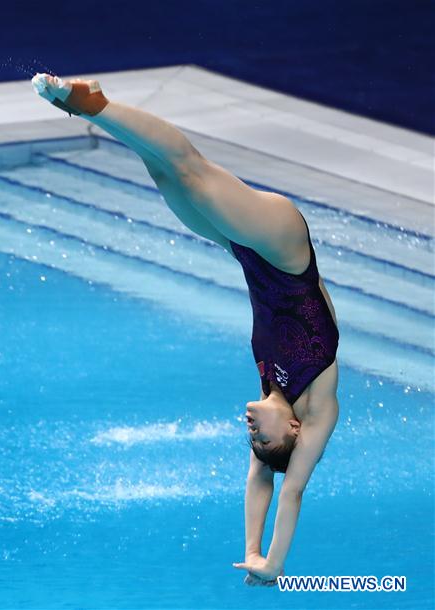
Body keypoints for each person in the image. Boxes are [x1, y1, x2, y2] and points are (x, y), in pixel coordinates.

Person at [32, 73, 339, 585]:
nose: (249, 432)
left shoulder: (272, 389)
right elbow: (288, 489)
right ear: (293, 432)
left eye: (251, 440)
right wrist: (274, 561)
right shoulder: (317, 407)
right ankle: (93, 102)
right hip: (285, 250)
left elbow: (259, 474)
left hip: (245, 251)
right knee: (193, 173)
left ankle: (87, 111)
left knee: (165, 175)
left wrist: (247, 550)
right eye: (261, 438)